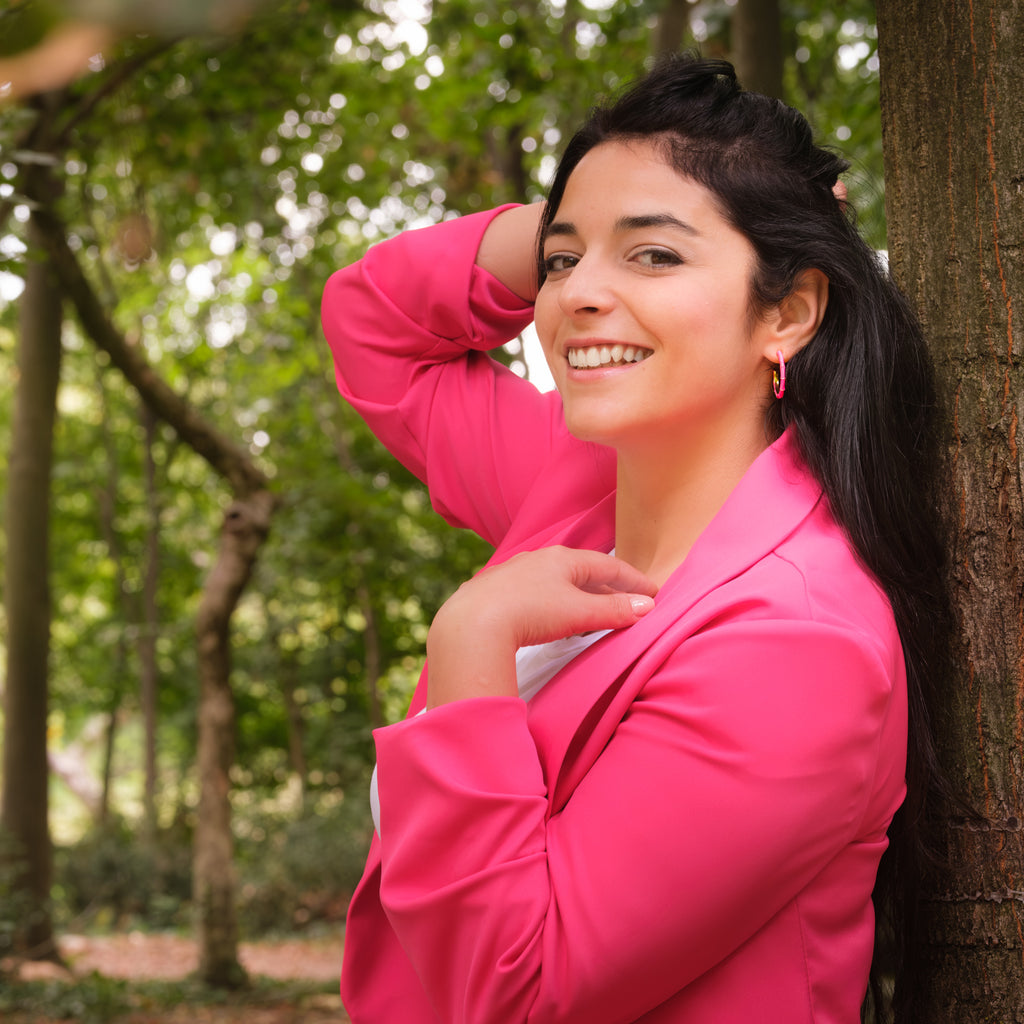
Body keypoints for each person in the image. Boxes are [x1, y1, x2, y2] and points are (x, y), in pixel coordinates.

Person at [321, 53, 945, 1024]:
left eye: (655, 256)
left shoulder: (797, 643)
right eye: (561, 264)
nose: (573, 295)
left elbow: (514, 992)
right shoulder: (572, 486)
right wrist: (605, 200)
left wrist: (471, 642)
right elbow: (372, 319)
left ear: (786, 311)